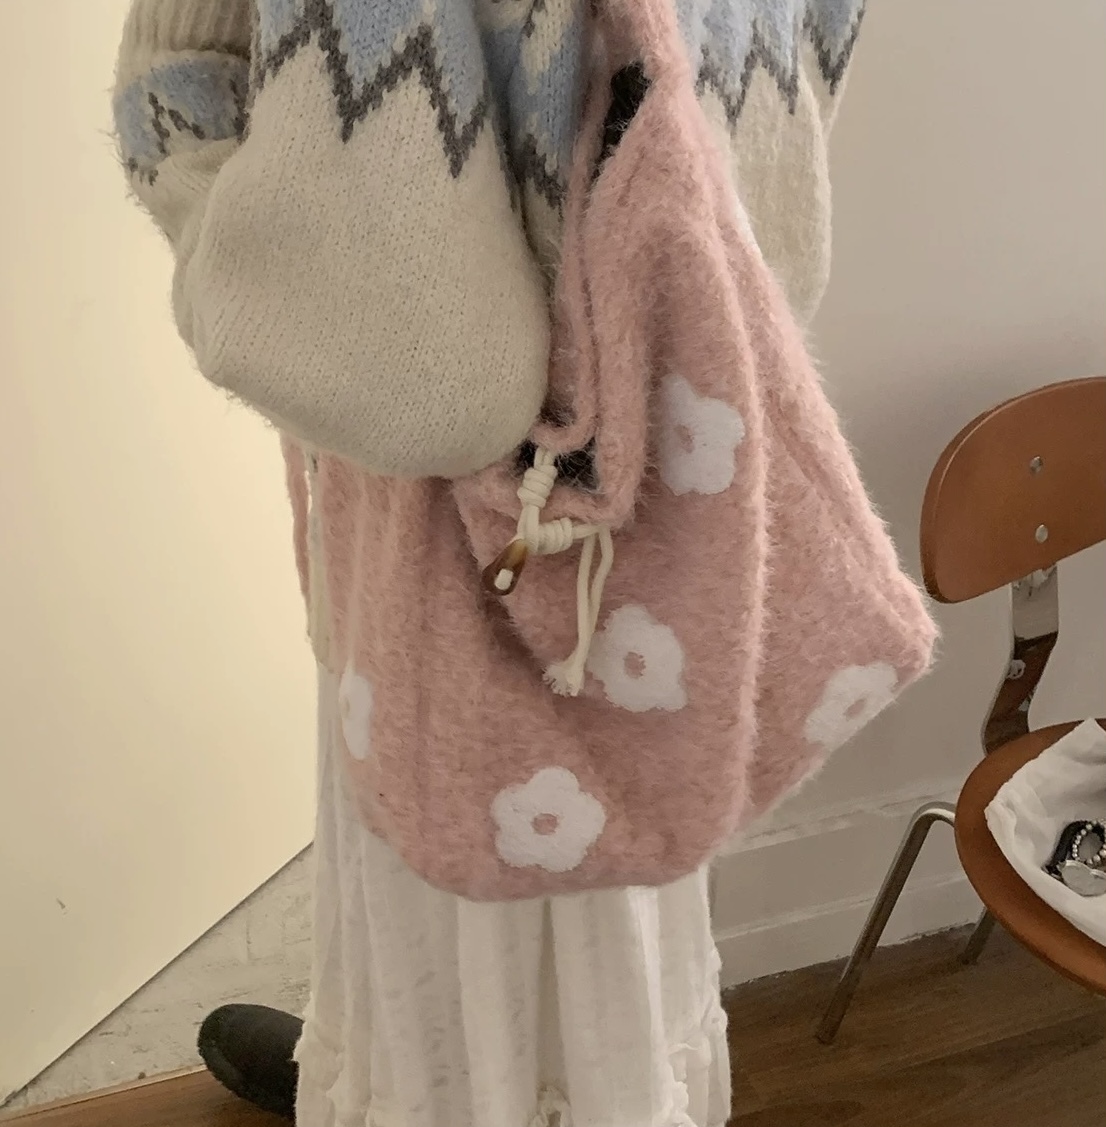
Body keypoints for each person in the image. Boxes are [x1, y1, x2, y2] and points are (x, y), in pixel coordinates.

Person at [113, 2, 870, 1124]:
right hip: (656, 421)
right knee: (570, 828)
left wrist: (244, 253)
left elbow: (438, 390)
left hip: (515, 437)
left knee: (499, 828)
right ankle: (461, 1078)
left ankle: (430, 1085)